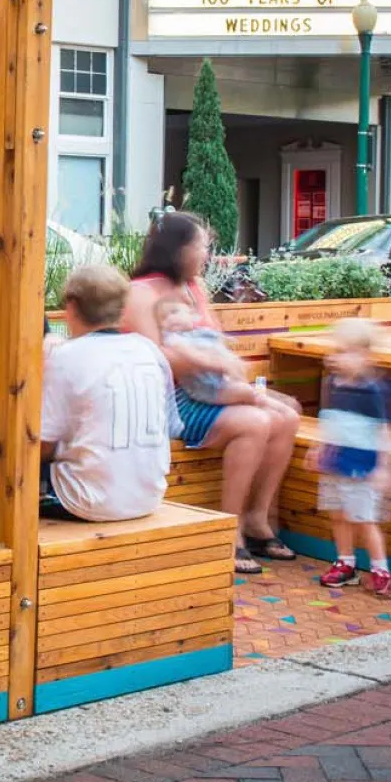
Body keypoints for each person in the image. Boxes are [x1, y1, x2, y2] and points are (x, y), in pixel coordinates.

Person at [123, 212, 301, 575]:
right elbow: (155, 357)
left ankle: (257, 517)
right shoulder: (140, 293)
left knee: (288, 416)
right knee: (253, 422)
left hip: (207, 391)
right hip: (168, 400)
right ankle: (229, 528)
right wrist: (213, 364)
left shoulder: (194, 287)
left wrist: (229, 372)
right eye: (202, 245)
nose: (207, 253)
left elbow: (216, 340)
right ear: (179, 249)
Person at [41, 265, 173, 523]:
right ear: (122, 310)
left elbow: (43, 445)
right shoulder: (148, 350)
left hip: (87, 501)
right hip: (150, 495)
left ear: (72, 307)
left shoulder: (66, 356)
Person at [309, 320, 391, 598]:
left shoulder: (374, 390)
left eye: (347, 351)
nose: (338, 358)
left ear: (365, 355)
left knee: (365, 519)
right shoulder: (332, 384)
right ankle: (346, 562)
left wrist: (385, 466)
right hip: (335, 463)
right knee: (338, 515)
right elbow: (329, 419)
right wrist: (318, 448)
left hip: (362, 465)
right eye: (338, 351)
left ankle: (380, 568)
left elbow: (385, 430)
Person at [155, 297, 257, 404]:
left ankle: (257, 402)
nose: (170, 318)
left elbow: (220, 345)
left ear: (192, 315)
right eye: (163, 318)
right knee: (247, 393)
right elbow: (191, 355)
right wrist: (220, 365)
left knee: (249, 390)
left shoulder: (201, 333)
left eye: (174, 312)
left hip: (223, 379)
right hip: (209, 389)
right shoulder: (174, 339)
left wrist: (232, 362)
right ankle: (255, 403)